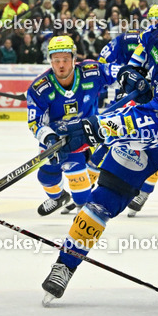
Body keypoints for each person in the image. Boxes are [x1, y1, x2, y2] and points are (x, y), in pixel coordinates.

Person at [41, 17, 158, 314]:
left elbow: (147, 124)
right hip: (154, 124)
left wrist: (95, 128)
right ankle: (65, 263)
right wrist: (135, 69)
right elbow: (146, 37)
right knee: (104, 198)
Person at [92, 4, 158, 216]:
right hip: (129, 96)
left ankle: (144, 191)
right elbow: (103, 62)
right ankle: (87, 185)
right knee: (108, 136)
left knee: (156, 143)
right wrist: (125, 76)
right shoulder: (131, 39)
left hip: (157, 103)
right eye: (155, 21)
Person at [26, 35, 107, 217]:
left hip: (82, 134)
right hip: (54, 137)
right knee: (45, 177)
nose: (61, 65)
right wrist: (49, 138)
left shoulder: (91, 71)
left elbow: (116, 72)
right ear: (50, 61)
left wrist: (130, 77)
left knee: (78, 185)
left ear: (74, 58)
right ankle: (59, 198)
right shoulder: (40, 87)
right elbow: (34, 122)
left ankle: (86, 213)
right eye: (56, 60)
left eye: (65, 59)